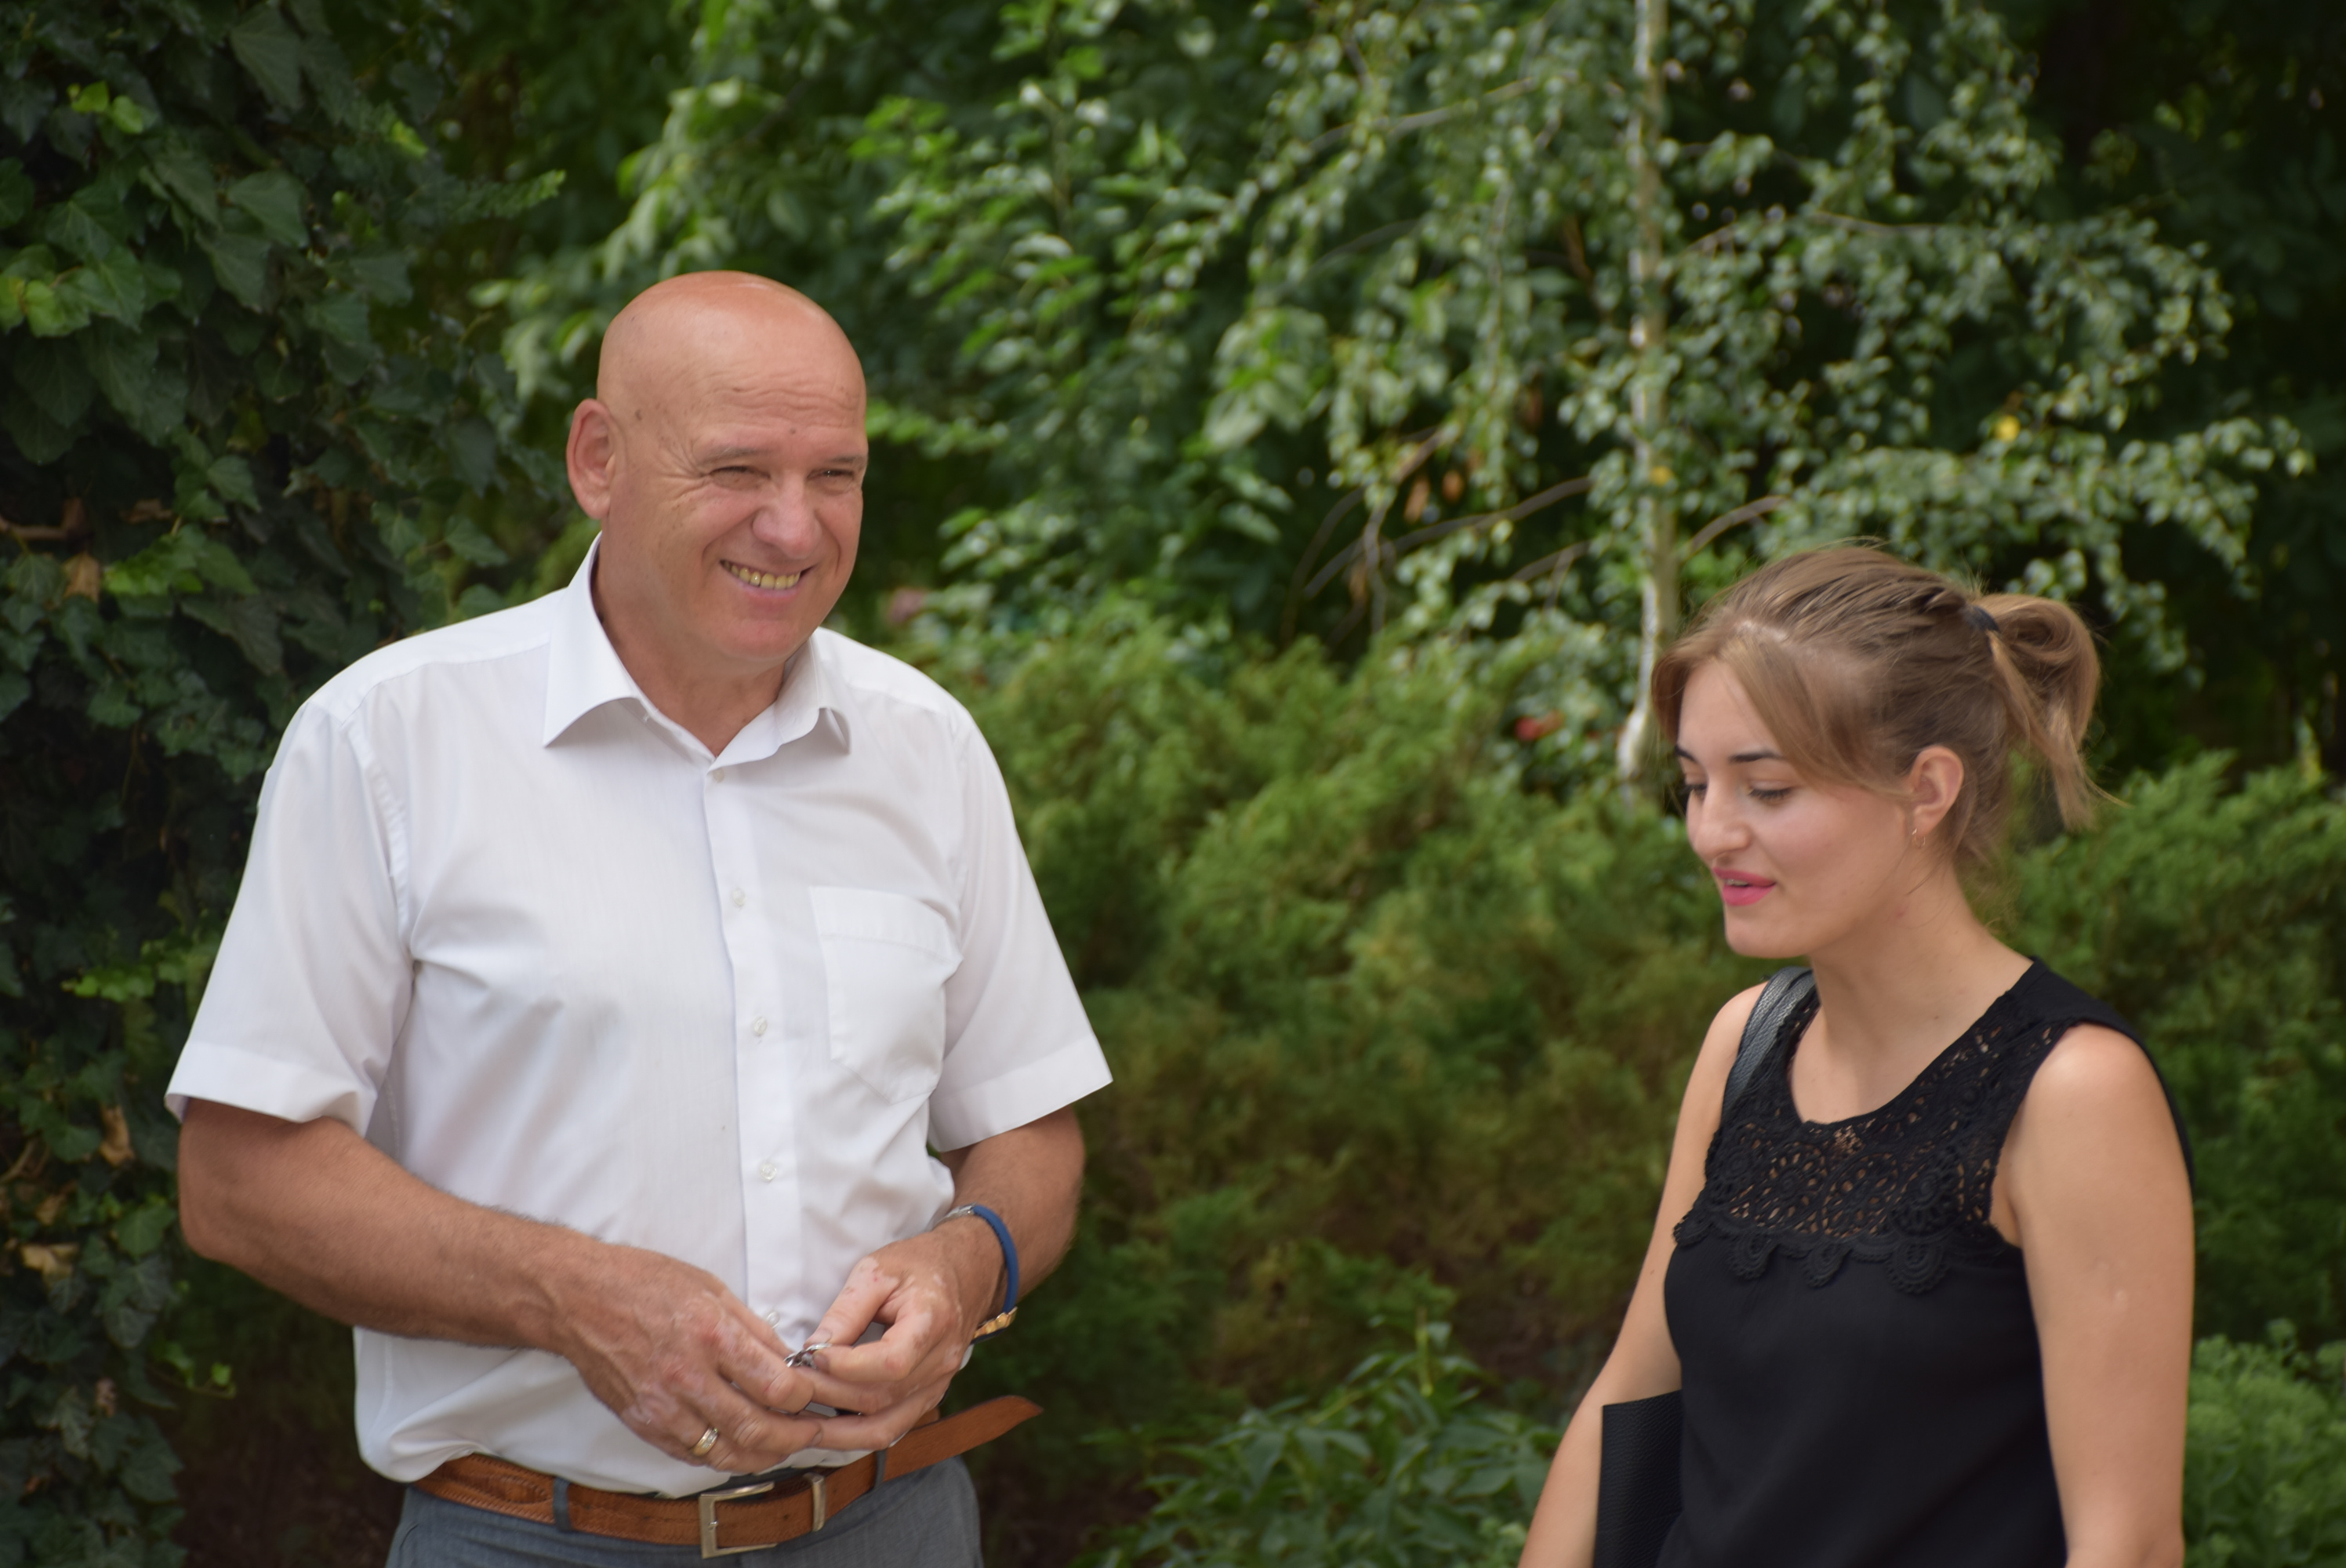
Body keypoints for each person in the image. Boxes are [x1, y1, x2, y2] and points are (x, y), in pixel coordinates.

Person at [168, 271, 1112, 1565]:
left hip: (895, 1523)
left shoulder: (926, 748)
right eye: (738, 469)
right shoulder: (388, 739)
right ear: (598, 460)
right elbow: (237, 1180)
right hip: (529, 1540)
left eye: (835, 476)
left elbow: (1032, 1132)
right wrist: (569, 1297)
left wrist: (966, 1264)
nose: (794, 526)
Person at [1520, 546, 2195, 1568]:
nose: (1710, 832)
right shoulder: (1746, 1041)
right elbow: (1634, 1393)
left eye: (1767, 789)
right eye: (1695, 784)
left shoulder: (2072, 1091)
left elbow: (2128, 1544)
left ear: (1926, 791)